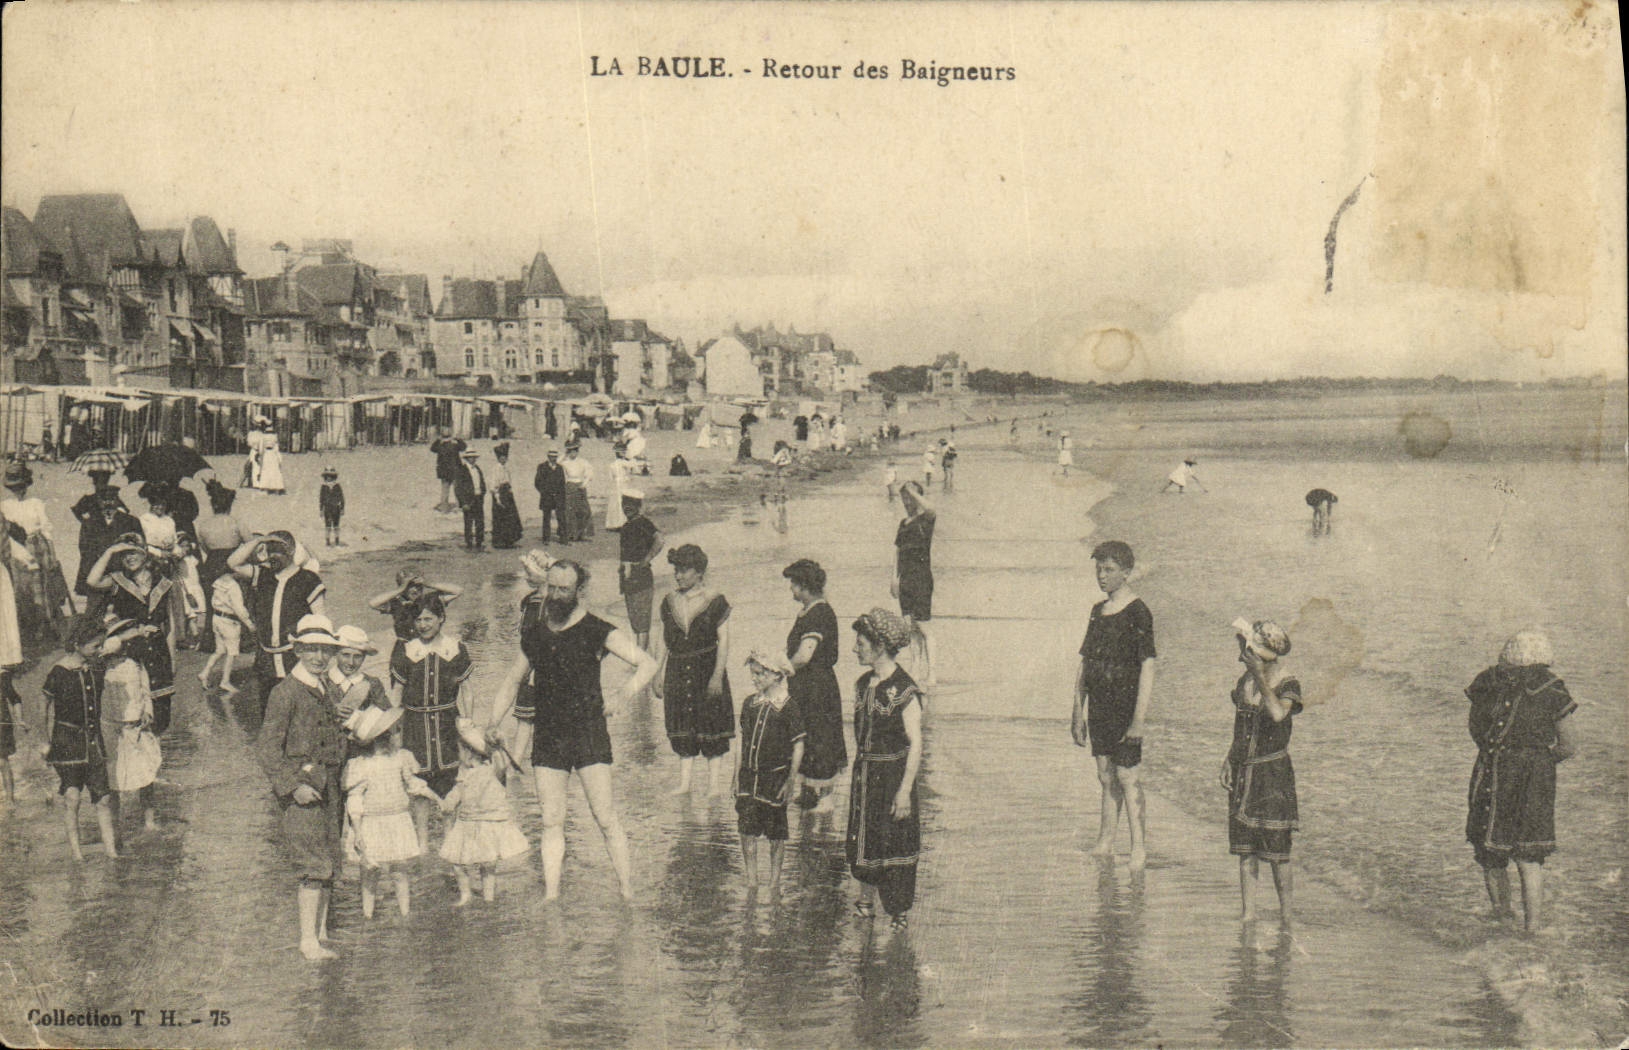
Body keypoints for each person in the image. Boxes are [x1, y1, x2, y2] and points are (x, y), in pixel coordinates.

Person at [488, 559, 658, 900]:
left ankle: (626, 891)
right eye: (551, 587)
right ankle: (552, 896)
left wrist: (622, 696)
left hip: (589, 733)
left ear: (580, 591)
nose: (555, 594)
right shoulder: (534, 634)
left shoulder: (597, 629)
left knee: (605, 817)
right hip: (549, 734)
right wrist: (493, 721)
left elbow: (647, 664)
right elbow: (511, 680)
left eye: (563, 589)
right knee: (551, 821)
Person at [1465, 628, 1577, 933]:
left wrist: (1499, 753)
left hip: (1494, 768)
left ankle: (1502, 917)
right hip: (1536, 777)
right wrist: (1540, 761)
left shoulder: (1488, 681)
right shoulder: (1553, 688)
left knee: (1490, 852)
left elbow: (1476, 729)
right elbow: (1568, 745)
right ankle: (1533, 928)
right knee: (1530, 856)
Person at [254, 615, 347, 960]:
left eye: (325, 650)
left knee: (329, 860)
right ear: (297, 650)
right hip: (303, 792)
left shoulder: (327, 688)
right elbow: (266, 748)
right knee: (312, 864)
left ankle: (321, 933)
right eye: (312, 650)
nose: (319, 657)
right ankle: (307, 941)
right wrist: (292, 787)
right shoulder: (285, 692)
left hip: (330, 787)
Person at [1071, 540, 1156, 871]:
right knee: (1105, 775)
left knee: (1127, 775)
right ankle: (1106, 840)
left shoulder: (1138, 612)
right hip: (1100, 705)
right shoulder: (1097, 611)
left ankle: (1139, 847)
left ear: (1127, 572)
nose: (1101, 576)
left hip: (1126, 705)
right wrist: (1077, 712)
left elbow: (1148, 665)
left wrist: (1139, 720)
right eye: (1098, 569)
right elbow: (1085, 664)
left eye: (1108, 570)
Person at [847, 609, 924, 931]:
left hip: (892, 778)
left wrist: (904, 791)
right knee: (865, 842)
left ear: (879, 646)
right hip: (865, 776)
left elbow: (916, 744)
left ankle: (898, 917)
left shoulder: (904, 689)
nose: (855, 648)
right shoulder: (863, 683)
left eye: (861, 642)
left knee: (894, 845)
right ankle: (865, 905)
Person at [1221, 619, 1301, 927]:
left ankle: (1287, 916)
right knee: (1246, 850)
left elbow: (1278, 714)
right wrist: (1229, 759)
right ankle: (1248, 914)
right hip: (1245, 770)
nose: (1241, 653)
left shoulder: (1287, 682)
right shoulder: (1245, 682)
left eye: (1246, 648)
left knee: (1278, 851)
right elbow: (1240, 728)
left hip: (1273, 773)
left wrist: (1259, 676)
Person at [41, 618, 143, 859]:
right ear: (77, 644)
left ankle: (112, 854)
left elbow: (116, 643)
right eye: (95, 646)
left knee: (103, 799)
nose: (100, 650)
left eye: (100, 646)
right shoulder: (60, 671)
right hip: (67, 742)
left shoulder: (96, 667)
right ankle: (77, 855)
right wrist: (44, 740)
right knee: (72, 797)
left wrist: (135, 631)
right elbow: (43, 702)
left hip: (94, 741)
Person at [391, 594, 473, 851]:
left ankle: (450, 840)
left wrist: (468, 725)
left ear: (441, 619)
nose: (423, 624)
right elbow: (396, 694)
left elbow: (467, 691)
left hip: (447, 722)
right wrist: (394, 731)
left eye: (429, 618)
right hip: (415, 723)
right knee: (418, 782)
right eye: (418, 619)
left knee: (450, 778)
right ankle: (423, 841)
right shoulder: (406, 650)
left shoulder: (456, 648)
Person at [652, 544, 733, 796]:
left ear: (699, 572)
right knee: (682, 723)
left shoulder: (716, 600)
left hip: (706, 667)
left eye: (684, 570)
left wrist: (717, 675)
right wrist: (657, 672)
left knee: (711, 724)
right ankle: (685, 784)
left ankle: (713, 787)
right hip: (677, 668)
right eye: (676, 570)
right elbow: (664, 639)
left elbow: (725, 640)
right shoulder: (668, 601)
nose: (678, 575)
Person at [343, 705, 434, 918]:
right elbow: (354, 801)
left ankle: (405, 914)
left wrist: (437, 798)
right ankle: (368, 915)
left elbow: (414, 785)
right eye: (381, 736)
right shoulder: (360, 765)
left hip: (398, 820)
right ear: (369, 742)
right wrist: (357, 832)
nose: (388, 739)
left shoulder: (401, 758)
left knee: (400, 871)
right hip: (371, 823)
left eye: (389, 734)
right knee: (369, 873)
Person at [84, 536, 178, 735]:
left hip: (159, 653)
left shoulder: (164, 583)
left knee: (161, 715)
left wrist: (173, 660)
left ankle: (155, 760)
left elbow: (169, 625)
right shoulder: (118, 580)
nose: (129, 558)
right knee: (135, 712)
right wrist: (110, 551)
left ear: (145, 552)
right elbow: (92, 581)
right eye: (124, 554)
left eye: (133, 551)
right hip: (130, 652)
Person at [229, 531, 327, 714]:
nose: (271, 556)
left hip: (295, 658)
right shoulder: (263, 575)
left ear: (290, 551)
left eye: (277, 551)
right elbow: (233, 564)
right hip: (266, 659)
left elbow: (320, 623)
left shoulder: (308, 580)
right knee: (269, 713)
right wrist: (258, 540)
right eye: (269, 550)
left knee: (300, 712)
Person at [438, 719, 531, 905]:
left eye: (460, 751)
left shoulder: (491, 770)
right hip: (475, 823)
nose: (458, 755)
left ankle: (477, 896)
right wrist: (449, 802)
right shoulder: (474, 771)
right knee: (475, 865)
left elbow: (500, 762)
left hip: (481, 823)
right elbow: (458, 792)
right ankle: (478, 896)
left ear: (469, 753)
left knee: (472, 864)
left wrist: (498, 744)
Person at [736, 649, 806, 891]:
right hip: (749, 778)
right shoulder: (749, 704)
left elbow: (798, 745)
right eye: (753, 674)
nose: (754, 679)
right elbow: (741, 743)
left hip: (775, 778)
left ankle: (774, 882)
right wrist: (736, 776)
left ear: (777, 675)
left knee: (777, 832)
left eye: (759, 674)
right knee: (746, 830)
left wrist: (791, 780)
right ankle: (752, 880)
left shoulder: (789, 706)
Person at [783, 558, 846, 810]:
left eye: (793, 584)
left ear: (804, 586)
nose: (791, 589)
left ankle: (826, 797)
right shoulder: (810, 610)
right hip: (806, 686)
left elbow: (804, 655)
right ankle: (808, 791)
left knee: (821, 735)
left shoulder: (819, 613)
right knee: (806, 732)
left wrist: (782, 667)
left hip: (817, 686)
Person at [4, 462, 76, 646]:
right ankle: (26, 627)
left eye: (20, 486)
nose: (18, 490)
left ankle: (45, 627)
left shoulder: (35, 503)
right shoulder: (5, 506)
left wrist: (51, 553)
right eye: (14, 487)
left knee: (43, 587)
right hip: (15, 548)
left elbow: (45, 528)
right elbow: (5, 532)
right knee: (21, 589)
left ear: (26, 485)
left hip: (38, 546)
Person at [194, 481, 249, 652]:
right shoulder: (235, 522)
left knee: (213, 604)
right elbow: (250, 543)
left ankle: (211, 642)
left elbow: (203, 547)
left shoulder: (203, 525)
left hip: (211, 564)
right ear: (229, 505)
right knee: (238, 601)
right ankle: (242, 640)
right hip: (233, 564)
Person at [892, 482, 937, 687]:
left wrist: (912, 491)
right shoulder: (903, 523)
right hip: (906, 579)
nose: (907, 502)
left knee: (924, 626)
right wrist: (894, 578)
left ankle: (932, 672)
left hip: (921, 577)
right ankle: (915, 666)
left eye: (910, 498)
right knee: (910, 627)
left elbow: (931, 509)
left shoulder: (925, 521)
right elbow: (898, 552)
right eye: (904, 498)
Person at [73, 479, 139, 616]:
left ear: (117, 501)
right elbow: (85, 550)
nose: (108, 503)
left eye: (112, 499)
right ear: (99, 502)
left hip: (124, 574)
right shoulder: (89, 523)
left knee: (127, 613)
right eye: (104, 500)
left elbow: (138, 548)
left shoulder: (131, 521)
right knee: (94, 613)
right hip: (99, 574)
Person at [369, 571, 463, 664]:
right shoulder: (396, 603)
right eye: (410, 587)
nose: (415, 590)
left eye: (418, 586)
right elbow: (373, 603)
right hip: (404, 646)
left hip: (428, 644)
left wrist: (428, 583)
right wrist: (401, 588)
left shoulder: (430, 600)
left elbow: (457, 590)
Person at [618, 490, 664, 651]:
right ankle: (642, 657)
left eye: (630, 506)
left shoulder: (643, 523)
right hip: (627, 576)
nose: (626, 509)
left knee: (642, 622)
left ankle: (640, 660)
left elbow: (660, 539)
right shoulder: (625, 526)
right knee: (635, 621)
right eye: (624, 505)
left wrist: (647, 559)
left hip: (640, 574)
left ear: (638, 507)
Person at [199, 567, 253, 694]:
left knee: (220, 650)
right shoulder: (234, 587)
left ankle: (205, 672)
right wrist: (249, 623)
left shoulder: (219, 581)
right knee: (232, 652)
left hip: (216, 618)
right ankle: (225, 681)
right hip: (229, 621)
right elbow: (238, 608)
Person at [489, 442, 523, 550]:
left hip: (507, 495)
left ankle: (509, 541)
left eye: (505, 457)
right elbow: (494, 484)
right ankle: (499, 542)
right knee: (500, 518)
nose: (503, 459)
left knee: (510, 518)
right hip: (500, 495)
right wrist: (497, 497)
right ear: (498, 458)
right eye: (501, 458)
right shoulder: (495, 469)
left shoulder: (506, 469)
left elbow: (509, 482)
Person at [454, 448, 488, 552]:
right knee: (468, 522)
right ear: (467, 459)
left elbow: (482, 482)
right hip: (468, 500)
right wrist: (463, 502)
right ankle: (469, 543)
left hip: (478, 498)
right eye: (470, 457)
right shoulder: (462, 470)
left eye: (474, 457)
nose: (473, 459)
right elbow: (458, 488)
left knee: (480, 521)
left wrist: (482, 492)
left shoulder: (477, 469)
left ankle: (479, 542)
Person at [561, 442, 594, 542]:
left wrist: (584, 483)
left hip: (580, 486)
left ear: (577, 452)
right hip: (570, 486)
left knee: (583, 510)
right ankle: (571, 534)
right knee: (570, 511)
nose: (572, 454)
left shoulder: (583, 462)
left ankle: (581, 533)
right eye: (570, 452)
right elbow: (557, 463)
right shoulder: (565, 462)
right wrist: (564, 455)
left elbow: (590, 474)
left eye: (574, 451)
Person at [534, 447, 568, 543]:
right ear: (548, 457)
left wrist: (561, 495)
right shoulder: (542, 467)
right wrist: (544, 492)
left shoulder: (560, 468)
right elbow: (537, 482)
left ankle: (563, 538)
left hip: (558, 496)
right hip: (547, 497)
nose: (553, 459)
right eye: (551, 457)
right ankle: (546, 538)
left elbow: (562, 483)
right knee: (546, 518)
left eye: (555, 457)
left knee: (561, 517)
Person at [430, 426, 466, 511]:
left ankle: (444, 507)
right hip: (455, 470)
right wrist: (458, 439)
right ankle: (458, 506)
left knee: (445, 490)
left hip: (444, 471)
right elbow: (464, 447)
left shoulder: (440, 444)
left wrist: (438, 440)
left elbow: (432, 449)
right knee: (457, 490)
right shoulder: (454, 444)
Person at [246, 416, 286, 493]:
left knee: (263, 468)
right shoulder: (272, 436)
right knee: (265, 468)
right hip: (265, 452)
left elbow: (259, 446)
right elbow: (276, 446)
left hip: (263, 452)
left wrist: (260, 454)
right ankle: (264, 484)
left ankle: (262, 484)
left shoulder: (262, 435)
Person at [606, 444, 635, 531]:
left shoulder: (612, 464)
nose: (625, 453)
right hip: (622, 483)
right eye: (623, 452)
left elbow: (610, 477)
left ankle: (613, 523)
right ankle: (622, 523)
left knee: (615, 503)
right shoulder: (624, 463)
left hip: (615, 484)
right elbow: (633, 465)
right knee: (623, 502)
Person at [319, 466, 345, 548]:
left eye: (331, 476)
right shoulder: (323, 486)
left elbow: (341, 497)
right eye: (327, 476)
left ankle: (337, 541)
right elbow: (321, 498)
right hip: (327, 508)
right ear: (325, 477)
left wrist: (342, 508)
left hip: (336, 508)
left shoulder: (337, 486)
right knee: (328, 525)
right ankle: (328, 541)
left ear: (334, 477)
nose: (329, 477)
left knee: (336, 525)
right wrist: (321, 509)